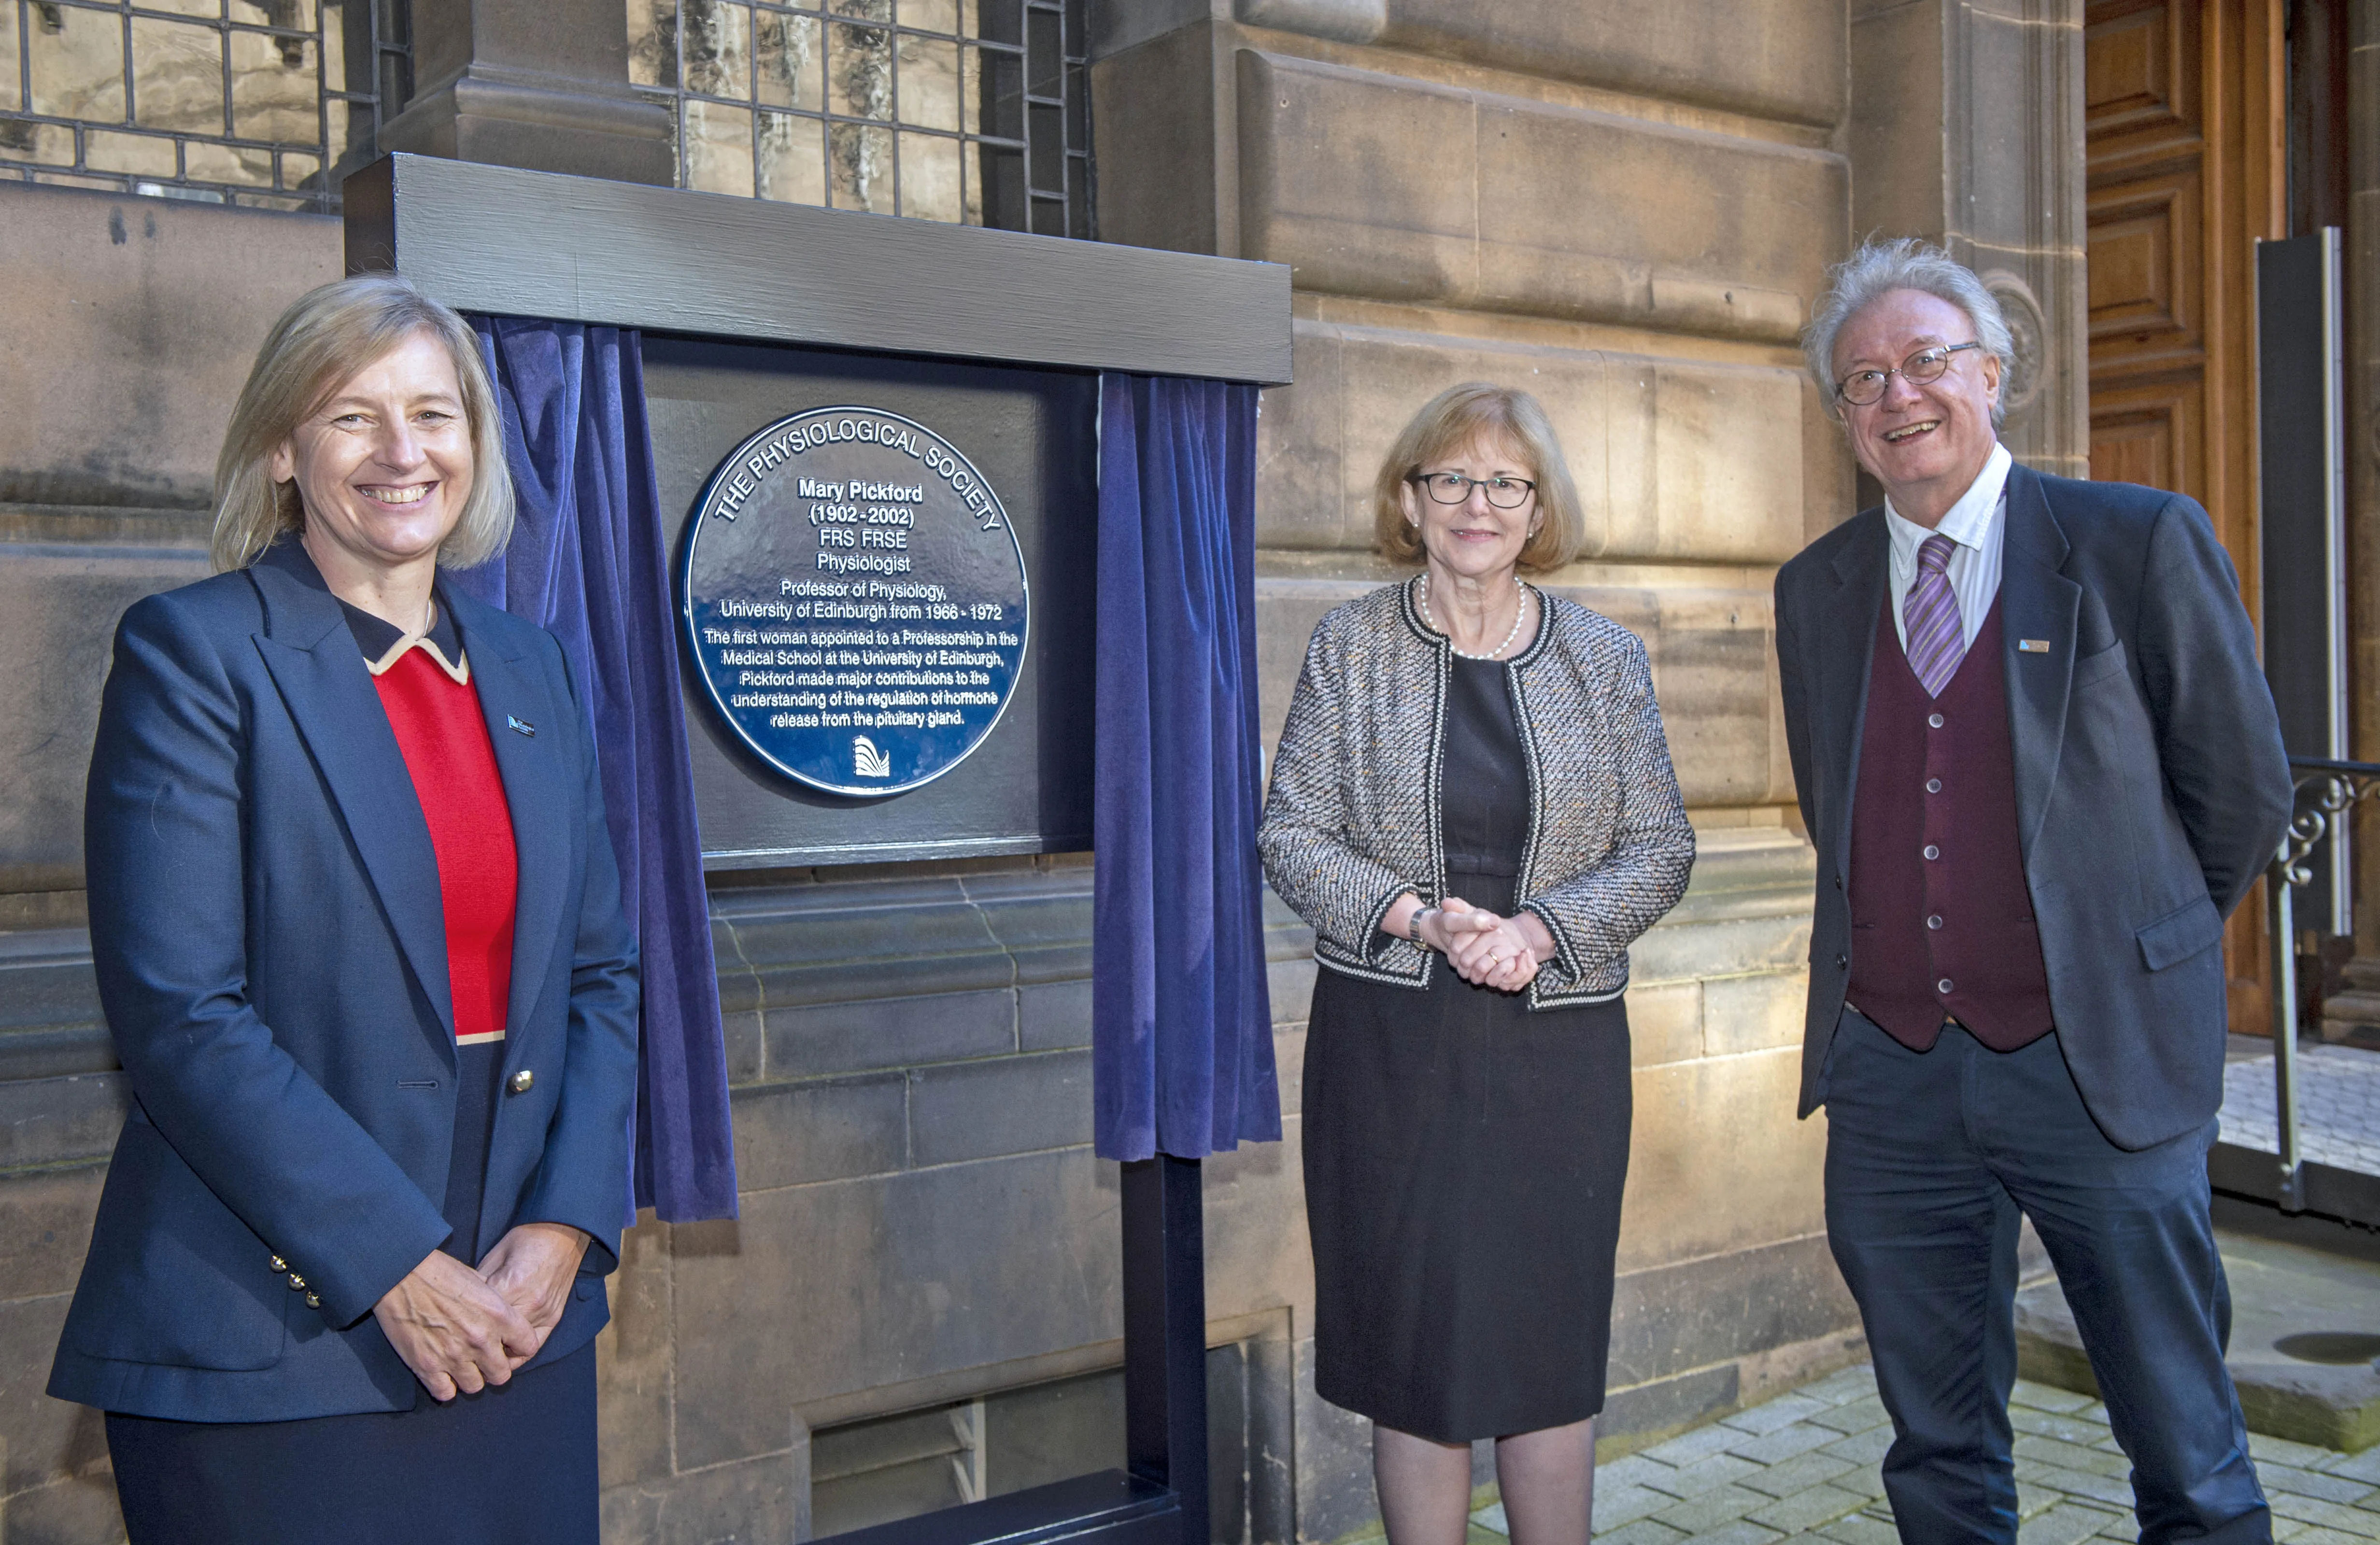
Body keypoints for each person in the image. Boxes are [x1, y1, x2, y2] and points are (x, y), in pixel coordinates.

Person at [47, 273, 640, 1542]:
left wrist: (565, 1225)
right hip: (279, 1330)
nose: (401, 451)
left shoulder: (534, 668)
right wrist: (392, 1266)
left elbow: (600, 976)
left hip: (518, 1318)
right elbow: (181, 1017)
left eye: (434, 414)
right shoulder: (195, 656)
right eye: (352, 417)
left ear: (475, 448)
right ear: (281, 446)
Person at [1774, 238, 2292, 1543]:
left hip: (2094, 1065)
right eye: (1864, 380)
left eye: (1926, 360)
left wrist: (2125, 952)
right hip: (1894, 1080)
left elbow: (2239, 793)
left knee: (2186, 1448)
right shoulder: (1816, 589)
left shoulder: (2136, 542)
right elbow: (1847, 803)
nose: (1899, 396)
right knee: (1938, 1452)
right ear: (1844, 418)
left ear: (1992, 373)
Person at [1258, 383, 1695, 1545]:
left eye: (1505, 482)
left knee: (1544, 1344)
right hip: (1394, 1053)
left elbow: (1663, 846)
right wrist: (1420, 917)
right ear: (1410, 498)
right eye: (1450, 478)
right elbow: (1290, 831)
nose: (1476, 503)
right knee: (1414, 1345)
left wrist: (1540, 930)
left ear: (1538, 507)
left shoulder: (1603, 657)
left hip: (1557, 1053)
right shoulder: (1352, 645)